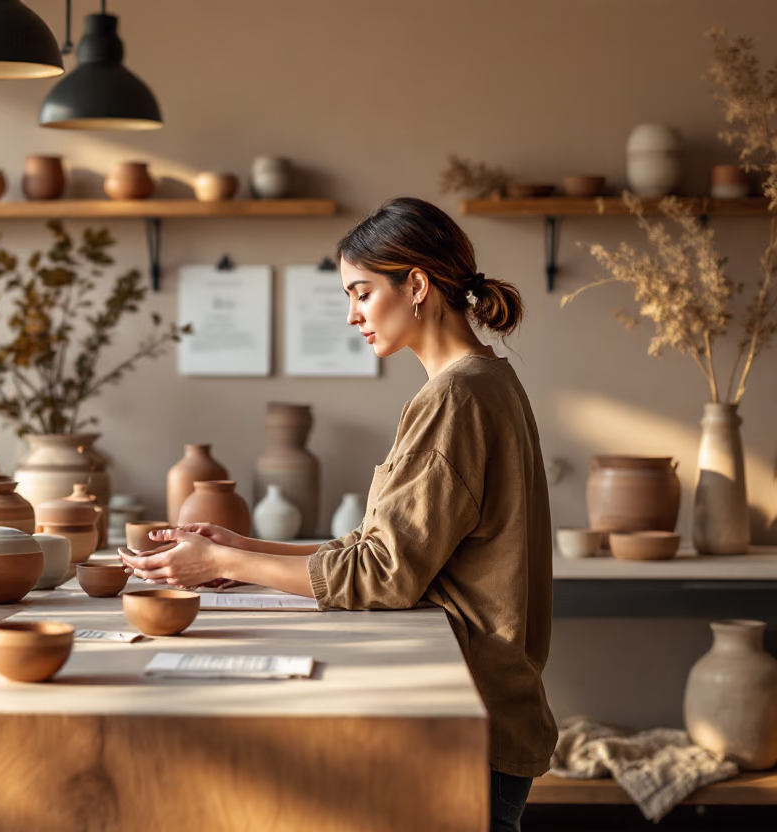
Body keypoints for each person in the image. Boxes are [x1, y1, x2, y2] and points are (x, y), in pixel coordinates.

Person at [118, 197, 557, 832]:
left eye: (360, 292)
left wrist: (218, 558)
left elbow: (383, 576)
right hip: (479, 709)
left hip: (470, 720)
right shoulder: (487, 379)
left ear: (415, 285)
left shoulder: (456, 398)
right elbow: (382, 550)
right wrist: (245, 550)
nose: (351, 316)